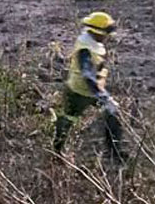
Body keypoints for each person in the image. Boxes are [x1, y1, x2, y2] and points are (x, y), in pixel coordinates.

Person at [53, 11, 125, 163]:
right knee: (68, 121)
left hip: (92, 90)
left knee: (112, 115)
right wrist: (104, 97)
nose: (107, 36)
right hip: (79, 92)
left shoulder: (90, 42)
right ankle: (56, 152)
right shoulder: (86, 49)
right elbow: (88, 75)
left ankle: (114, 152)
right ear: (98, 32)